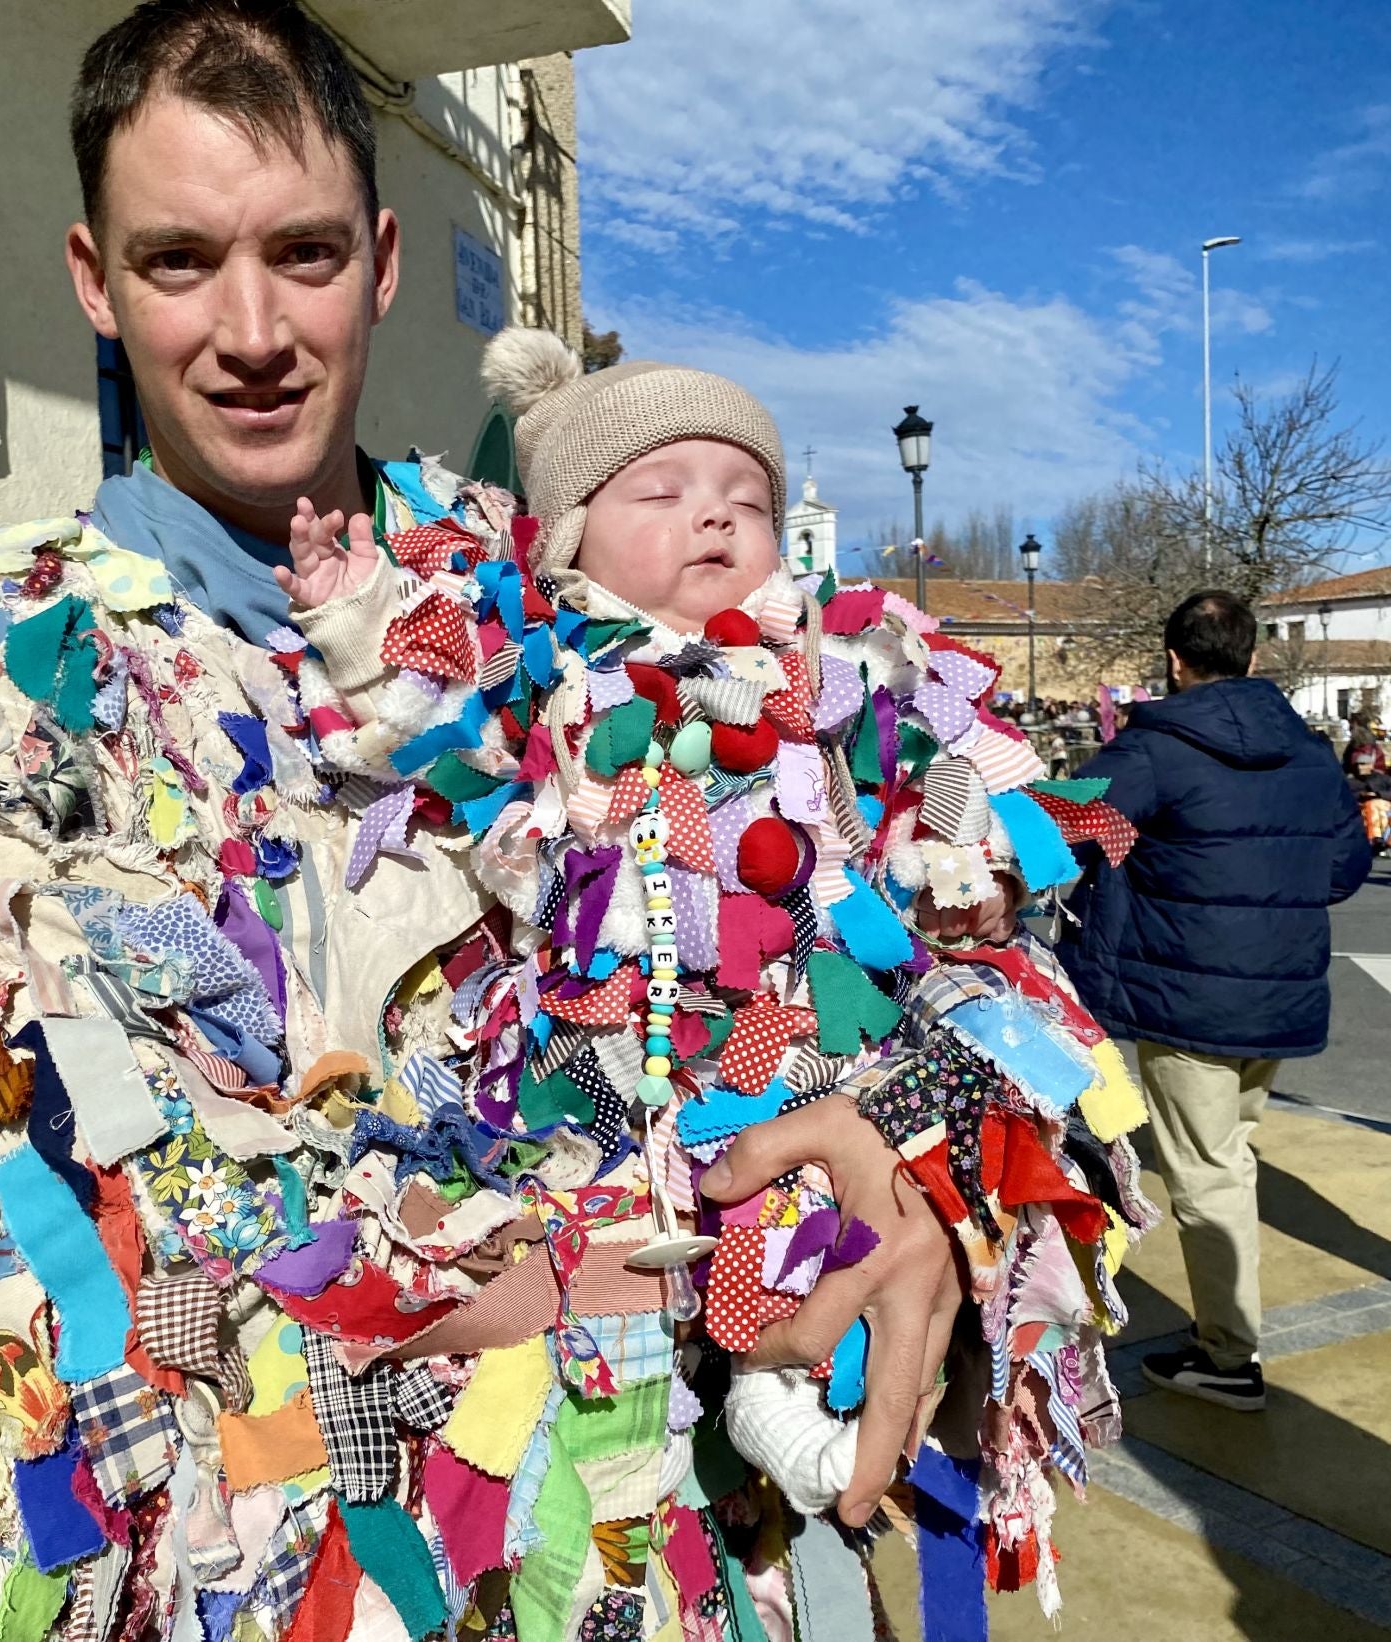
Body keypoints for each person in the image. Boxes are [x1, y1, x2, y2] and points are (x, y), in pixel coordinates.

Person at [0, 10, 959, 1639]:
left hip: (604, 1553)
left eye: (307, 251)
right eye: (183, 259)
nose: (255, 326)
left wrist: (891, 1178)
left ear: (386, 259)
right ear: (92, 275)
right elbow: (27, 1273)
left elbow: (783, 957)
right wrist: (565, 1273)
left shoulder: (557, 609)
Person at [280, 327, 1150, 1622]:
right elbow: (411, 734)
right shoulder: (554, 671)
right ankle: (711, 1433)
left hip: (791, 1049)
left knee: (803, 1233)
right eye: (664, 489)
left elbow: (910, 824)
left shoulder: (816, 679)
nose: (715, 517)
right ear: (569, 532)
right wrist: (354, 615)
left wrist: (963, 831)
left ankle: (792, 1407)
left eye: (746, 497)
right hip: (606, 1071)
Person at [1058, 591, 1372, 1411]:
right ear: (1255, 659)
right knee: (1231, 1155)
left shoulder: (1154, 749)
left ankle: (1230, 1355)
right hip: (1280, 988)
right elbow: (1344, 867)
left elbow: (1065, 826)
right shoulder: (1310, 753)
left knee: (1205, 1176)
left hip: (1184, 989)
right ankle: (1230, 1339)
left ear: (1174, 660)